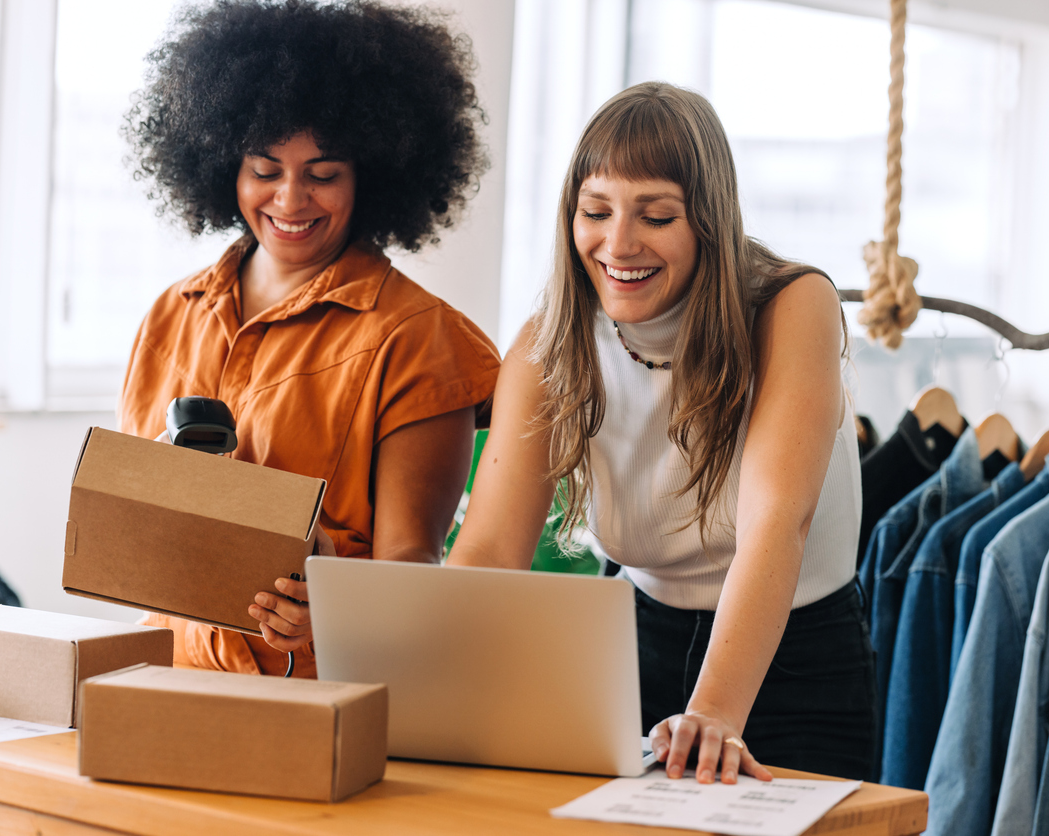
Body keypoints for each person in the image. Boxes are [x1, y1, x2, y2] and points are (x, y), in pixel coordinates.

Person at [447, 82, 874, 783]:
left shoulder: (791, 305)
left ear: (707, 219)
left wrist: (712, 714)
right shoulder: (546, 343)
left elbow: (776, 527)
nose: (618, 243)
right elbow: (491, 548)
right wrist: (414, 676)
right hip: (638, 635)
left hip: (797, 652)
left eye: (655, 216)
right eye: (596, 211)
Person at [118, 0, 500, 677]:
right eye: (265, 170)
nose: (290, 200)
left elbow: (410, 573)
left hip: (317, 693)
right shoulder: (169, 314)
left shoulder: (419, 339)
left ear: (370, 180)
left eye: (322, 174)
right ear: (224, 168)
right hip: (167, 680)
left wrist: (328, 599)